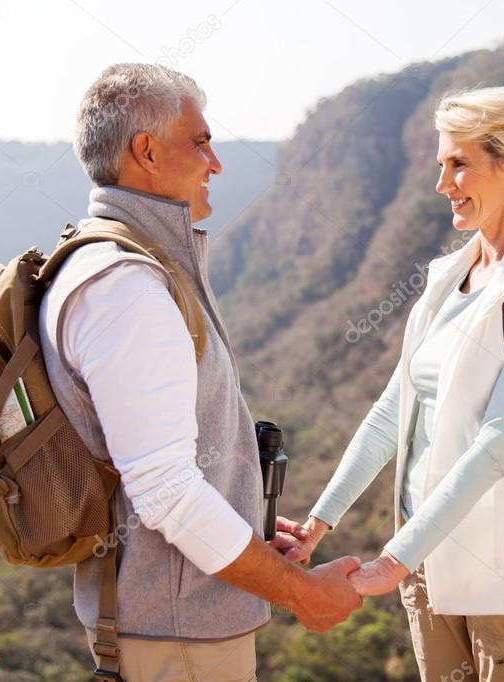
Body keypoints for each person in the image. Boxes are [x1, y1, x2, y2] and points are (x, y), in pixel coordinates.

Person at [39, 63, 361, 682]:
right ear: (148, 152)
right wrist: (301, 591)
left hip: (166, 624)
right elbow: (166, 493)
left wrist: (241, 510)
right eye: (202, 142)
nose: (215, 163)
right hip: (177, 637)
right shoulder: (127, 287)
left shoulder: (111, 260)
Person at [275, 86, 504, 682]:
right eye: (440, 165)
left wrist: (393, 560)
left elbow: (495, 445)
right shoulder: (449, 277)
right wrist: (318, 522)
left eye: (459, 165)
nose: (442, 184)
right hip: (427, 568)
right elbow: (392, 412)